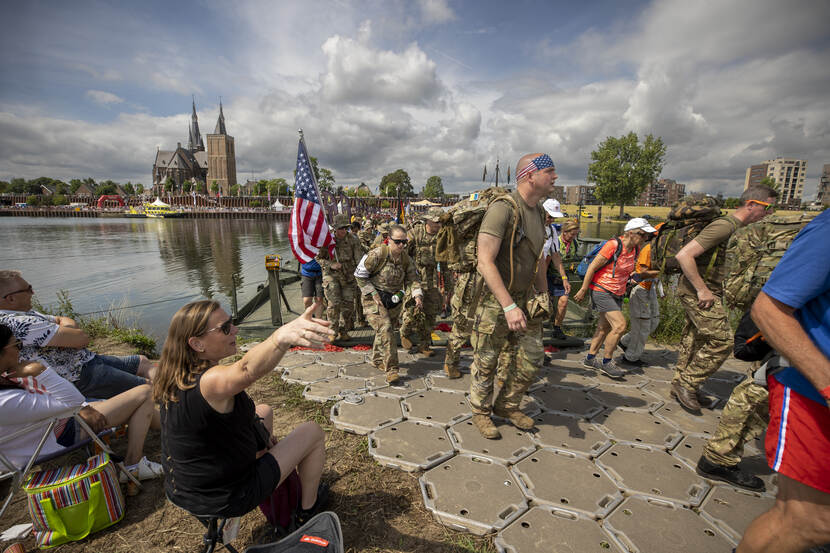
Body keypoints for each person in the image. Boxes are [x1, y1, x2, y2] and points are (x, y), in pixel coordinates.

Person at [155, 301, 331, 522]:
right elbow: (246, 369)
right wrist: (281, 336)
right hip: (227, 496)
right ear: (197, 344)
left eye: (232, 323)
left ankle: (263, 459)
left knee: (264, 411)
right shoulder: (209, 381)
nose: (235, 330)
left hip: (183, 490)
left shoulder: (174, 372)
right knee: (312, 432)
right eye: (225, 328)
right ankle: (307, 509)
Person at [737, 210, 830, 553]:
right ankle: (718, 455)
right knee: (810, 521)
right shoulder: (827, 231)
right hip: (812, 392)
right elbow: (769, 308)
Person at [0, 324, 161, 489]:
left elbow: (66, 402)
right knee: (145, 393)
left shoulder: (5, 388)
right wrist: (41, 371)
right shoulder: (6, 400)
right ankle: (133, 465)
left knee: (124, 403)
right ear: (3, 350)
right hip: (59, 435)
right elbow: (74, 401)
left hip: (50, 427)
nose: (20, 350)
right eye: (17, 345)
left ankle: (176, 427)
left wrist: (83, 406)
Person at [469, 152, 555, 439]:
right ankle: (481, 412)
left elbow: (540, 257)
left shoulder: (540, 212)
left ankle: (507, 405)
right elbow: (484, 260)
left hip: (526, 300)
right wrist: (507, 306)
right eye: (550, 172)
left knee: (531, 357)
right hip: (497, 302)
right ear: (530, 175)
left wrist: (543, 294)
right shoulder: (504, 209)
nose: (555, 177)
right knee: (487, 360)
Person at [671, 185, 778, 413]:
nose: (769, 214)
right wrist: (702, 290)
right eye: (767, 208)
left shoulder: (738, 228)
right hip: (697, 292)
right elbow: (684, 255)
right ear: (751, 204)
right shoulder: (725, 226)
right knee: (722, 342)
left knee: (695, 339)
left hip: (707, 291)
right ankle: (688, 383)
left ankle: (682, 383)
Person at [0, 270, 155, 399]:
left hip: (85, 360)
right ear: (11, 298)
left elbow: (62, 320)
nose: (32, 292)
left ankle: (174, 388)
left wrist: (67, 331)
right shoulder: (20, 322)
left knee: (142, 361)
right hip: (80, 376)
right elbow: (82, 339)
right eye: (27, 289)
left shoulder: (24, 313)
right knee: (149, 388)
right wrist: (69, 334)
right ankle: (174, 407)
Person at [574, 218, 654, 378]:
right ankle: (606, 362)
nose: (646, 239)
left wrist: (635, 276)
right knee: (620, 325)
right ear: (630, 233)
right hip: (601, 290)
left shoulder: (635, 249)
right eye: (643, 235)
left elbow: (625, 270)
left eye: (648, 236)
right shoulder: (613, 245)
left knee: (604, 327)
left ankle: (590, 359)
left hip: (617, 292)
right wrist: (583, 289)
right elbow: (592, 267)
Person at [354, 225, 422, 384]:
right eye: (398, 242)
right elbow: (359, 275)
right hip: (374, 300)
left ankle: (377, 360)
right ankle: (392, 369)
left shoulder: (406, 259)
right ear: (389, 240)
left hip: (393, 301)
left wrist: (417, 295)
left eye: (404, 242)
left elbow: (413, 279)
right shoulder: (378, 254)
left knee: (384, 331)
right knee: (386, 328)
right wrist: (373, 293)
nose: (401, 245)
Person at [400, 207, 444, 357]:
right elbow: (402, 255)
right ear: (428, 220)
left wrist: (448, 286)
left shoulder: (442, 236)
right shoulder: (415, 233)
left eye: (440, 222)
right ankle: (404, 332)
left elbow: (445, 262)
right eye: (436, 222)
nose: (438, 225)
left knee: (430, 315)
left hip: (432, 281)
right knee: (412, 312)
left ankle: (424, 345)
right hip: (416, 278)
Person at [617, 226, 661, 368]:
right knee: (642, 324)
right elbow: (643, 272)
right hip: (641, 287)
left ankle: (624, 342)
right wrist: (663, 271)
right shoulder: (648, 249)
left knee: (654, 320)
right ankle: (631, 357)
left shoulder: (659, 250)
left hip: (650, 286)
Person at [317, 214, 363, 342]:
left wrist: (361, 274)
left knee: (348, 305)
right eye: (340, 228)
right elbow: (319, 258)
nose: (343, 231)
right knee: (334, 304)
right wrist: (331, 264)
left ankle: (343, 330)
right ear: (335, 229)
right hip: (332, 276)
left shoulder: (353, 239)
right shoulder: (328, 240)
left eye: (345, 228)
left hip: (348, 276)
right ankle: (332, 331)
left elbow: (358, 259)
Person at [542, 199, 570, 340]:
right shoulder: (530, 226)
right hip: (525, 275)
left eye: (554, 217)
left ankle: (536, 347)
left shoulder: (552, 230)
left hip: (539, 276)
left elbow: (555, 256)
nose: (552, 220)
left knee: (539, 310)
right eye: (549, 216)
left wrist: (564, 277)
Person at [551, 219, 581, 339]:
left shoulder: (575, 244)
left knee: (563, 303)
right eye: (572, 234)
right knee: (547, 304)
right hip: (550, 275)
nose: (574, 237)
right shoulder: (556, 242)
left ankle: (557, 328)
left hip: (564, 277)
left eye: (576, 234)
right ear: (564, 232)